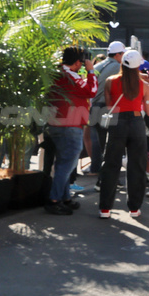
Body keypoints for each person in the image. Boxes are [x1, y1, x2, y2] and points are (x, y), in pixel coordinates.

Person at [97, 49, 149, 218]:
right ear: (139, 66)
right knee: (136, 166)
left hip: (117, 124)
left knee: (110, 165)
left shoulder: (110, 81)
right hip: (137, 124)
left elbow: (109, 107)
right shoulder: (144, 85)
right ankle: (134, 208)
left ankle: (105, 209)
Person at [44, 47, 97, 215]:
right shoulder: (70, 76)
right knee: (66, 165)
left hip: (57, 124)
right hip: (70, 125)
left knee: (63, 163)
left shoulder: (56, 74)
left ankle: (65, 197)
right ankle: (54, 200)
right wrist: (91, 71)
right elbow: (91, 91)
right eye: (81, 62)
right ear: (76, 63)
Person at [86, 41, 126, 176]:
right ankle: (107, 174)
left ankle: (95, 168)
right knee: (109, 142)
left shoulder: (99, 64)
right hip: (106, 106)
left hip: (93, 106)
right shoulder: (117, 66)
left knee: (96, 141)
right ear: (118, 55)